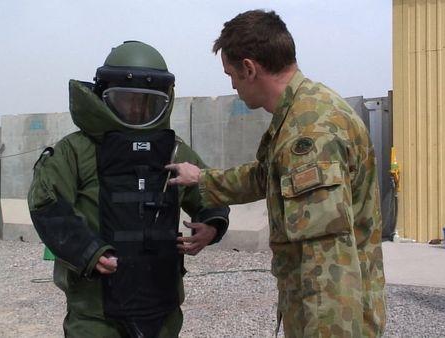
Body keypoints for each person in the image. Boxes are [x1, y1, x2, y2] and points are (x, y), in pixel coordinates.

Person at [166, 10, 386, 337]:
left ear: (250, 68)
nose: (232, 85)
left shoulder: (309, 134)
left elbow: (325, 265)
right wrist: (202, 179)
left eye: (231, 74)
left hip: (333, 320)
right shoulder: (301, 111)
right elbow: (265, 176)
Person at [28, 40, 230, 338]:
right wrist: (90, 252)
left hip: (162, 304)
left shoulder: (174, 151)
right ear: (104, 96)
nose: (137, 108)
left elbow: (209, 191)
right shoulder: (77, 150)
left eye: (147, 101)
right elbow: (47, 207)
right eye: (127, 99)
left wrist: (212, 225)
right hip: (96, 311)